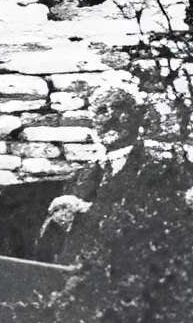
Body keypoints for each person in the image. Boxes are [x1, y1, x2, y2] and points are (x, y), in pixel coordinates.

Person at [37, 75, 152, 262]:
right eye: (101, 111)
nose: (110, 118)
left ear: (137, 115)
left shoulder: (152, 167)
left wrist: (85, 210)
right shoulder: (81, 176)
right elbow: (52, 243)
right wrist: (57, 221)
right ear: (94, 122)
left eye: (119, 108)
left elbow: (144, 223)